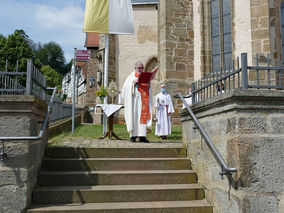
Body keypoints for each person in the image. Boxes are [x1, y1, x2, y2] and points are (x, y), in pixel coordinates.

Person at [121, 61, 152, 143]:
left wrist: (148, 85)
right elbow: (124, 91)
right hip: (133, 102)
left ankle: (142, 136)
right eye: (139, 68)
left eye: (142, 68)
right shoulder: (130, 78)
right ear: (135, 68)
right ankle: (133, 136)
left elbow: (149, 90)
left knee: (142, 118)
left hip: (143, 102)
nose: (141, 69)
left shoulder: (145, 77)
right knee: (134, 117)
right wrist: (133, 84)